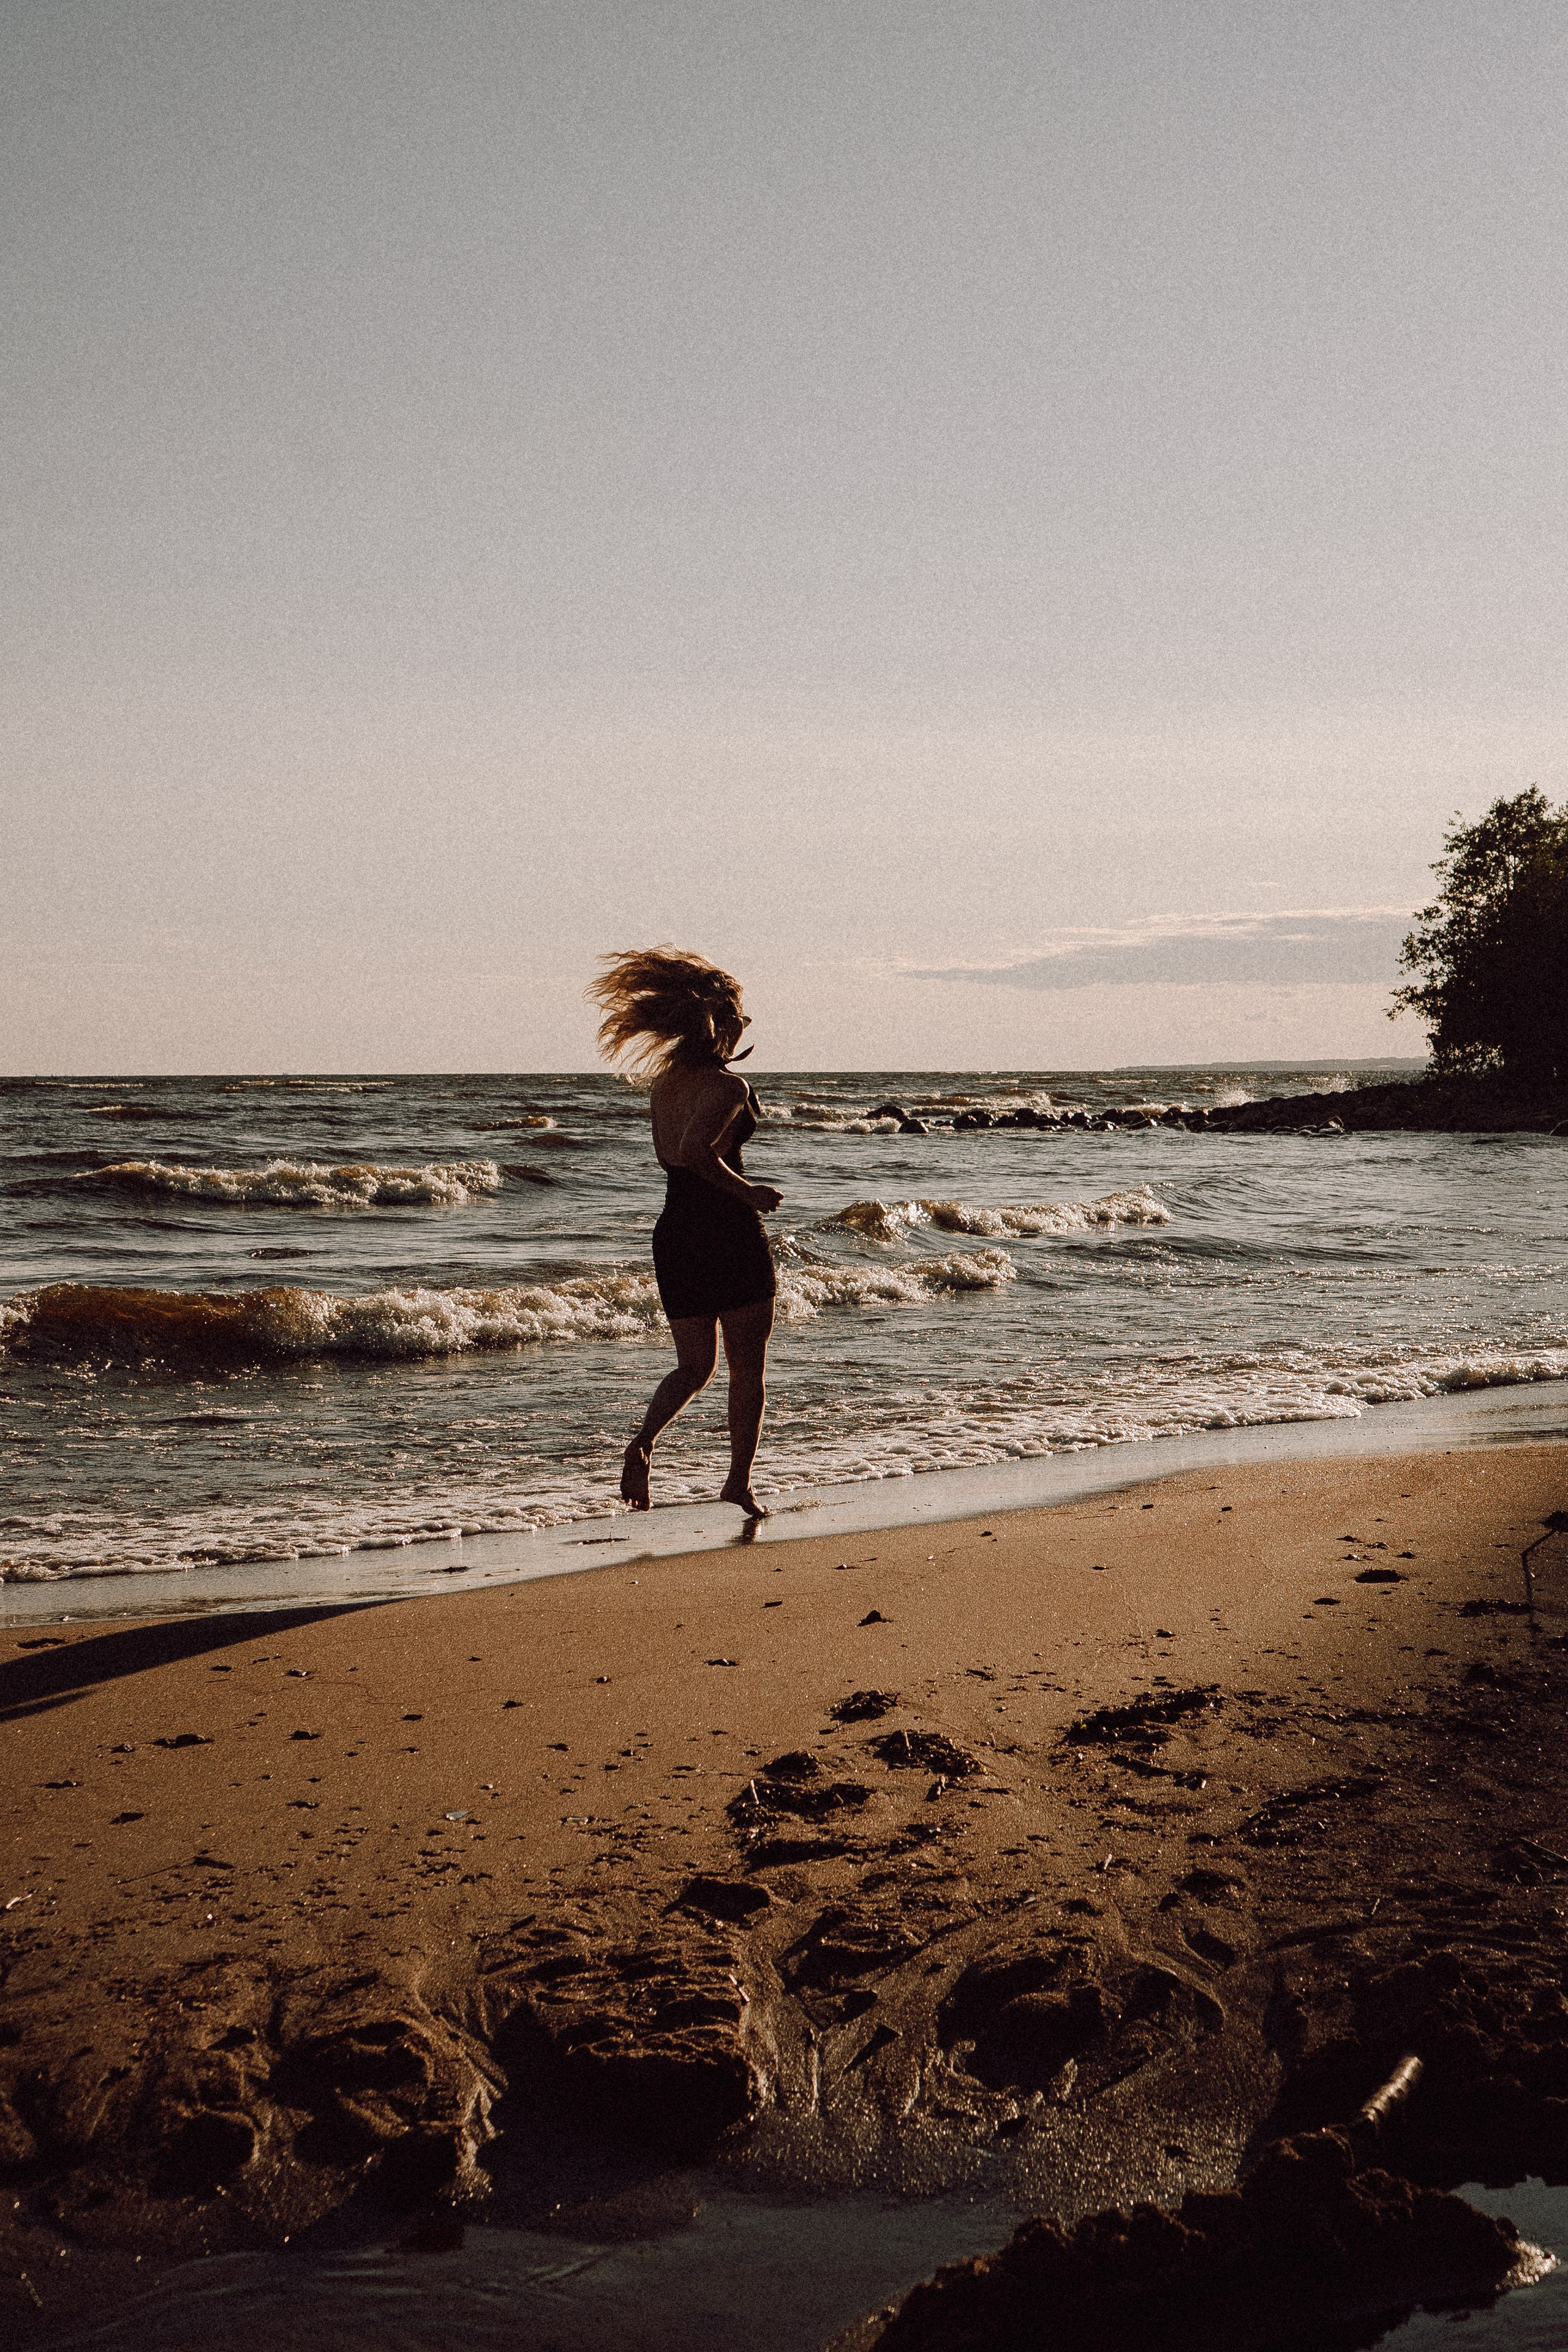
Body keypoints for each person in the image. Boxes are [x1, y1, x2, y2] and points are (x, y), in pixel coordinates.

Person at [587, 948, 783, 1517]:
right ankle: (738, 1483)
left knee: (694, 1367)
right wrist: (749, 1193)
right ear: (720, 1024)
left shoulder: (666, 1084)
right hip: (727, 1231)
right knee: (747, 1370)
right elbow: (695, 1151)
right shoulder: (728, 1087)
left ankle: (644, 1442)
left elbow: (669, 1157)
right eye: (740, 1019)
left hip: (675, 1232)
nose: (744, 1027)